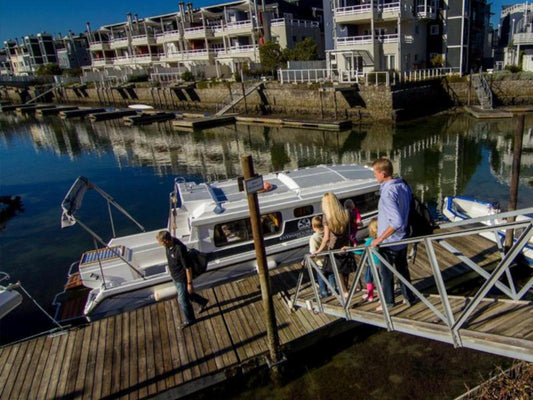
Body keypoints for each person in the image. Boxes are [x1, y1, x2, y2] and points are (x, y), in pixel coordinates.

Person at [370, 158, 416, 310]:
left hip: (389, 241)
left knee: (386, 273)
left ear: (383, 174)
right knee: (403, 269)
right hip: (402, 237)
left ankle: (388, 302)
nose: (375, 177)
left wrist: (379, 239)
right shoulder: (403, 185)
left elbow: (396, 221)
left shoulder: (387, 193)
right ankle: (409, 297)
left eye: (375, 174)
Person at [157, 230, 209, 329]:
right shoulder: (169, 246)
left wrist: (189, 283)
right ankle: (202, 301)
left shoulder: (179, 249)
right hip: (175, 276)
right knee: (187, 295)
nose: (160, 245)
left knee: (182, 300)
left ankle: (190, 319)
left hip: (181, 279)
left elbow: (187, 268)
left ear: (166, 241)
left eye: (161, 243)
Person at [312, 192, 351, 298]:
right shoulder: (345, 213)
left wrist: (319, 250)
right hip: (345, 246)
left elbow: (326, 238)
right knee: (345, 269)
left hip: (333, 248)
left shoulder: (326, 217)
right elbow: (348, 232)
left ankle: (344, 292)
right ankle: (346, 289)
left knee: (337, 271)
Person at [308, 215, 333, 298]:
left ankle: (324, 293)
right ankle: (335, 291)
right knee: (331, 275)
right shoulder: (327, 234)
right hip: (329, 260)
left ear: (313, 226)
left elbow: (312, 251)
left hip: (320, 262)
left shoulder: (313, 238)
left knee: (321, 278)